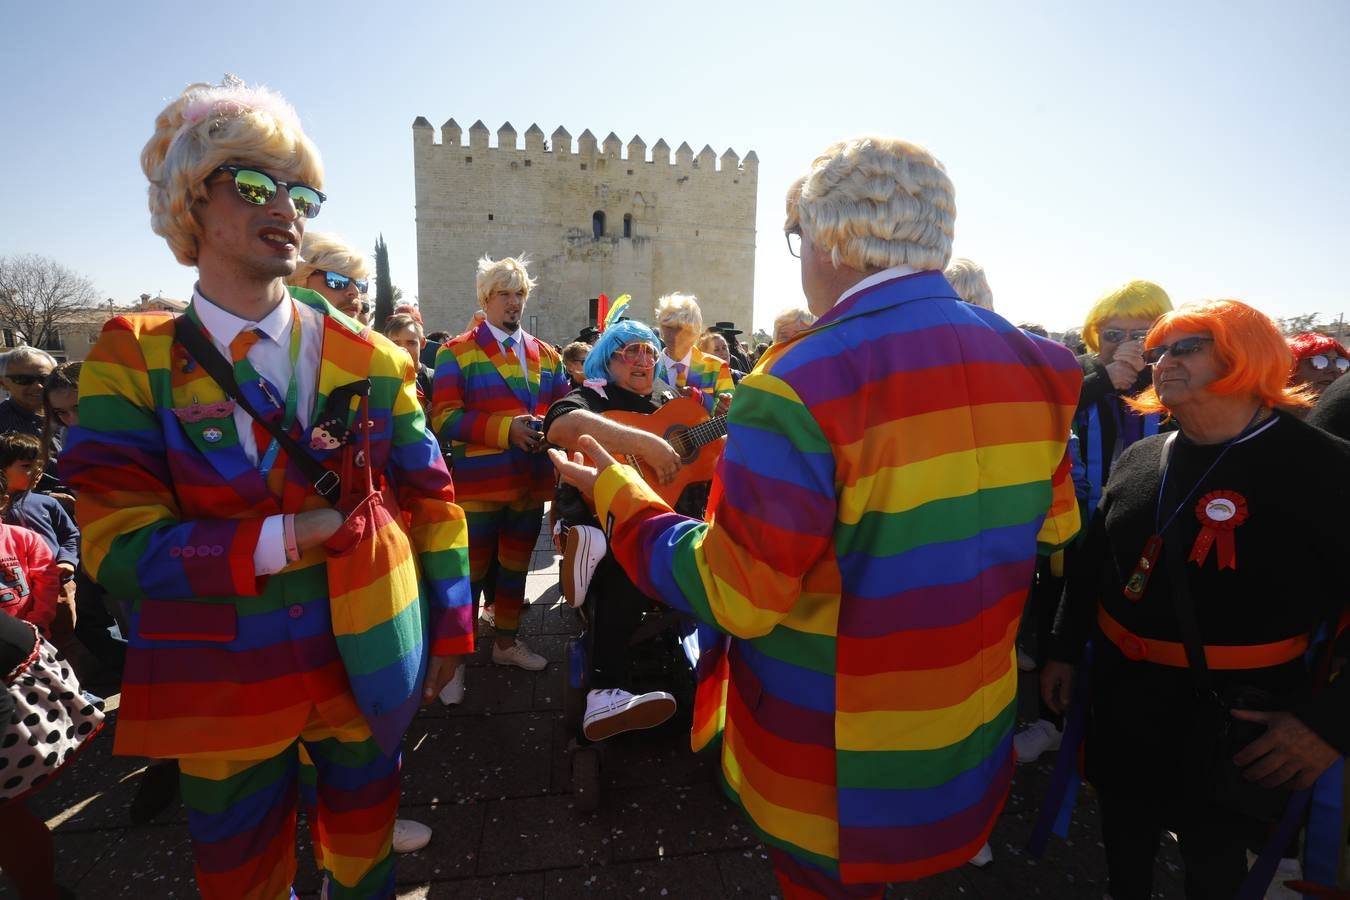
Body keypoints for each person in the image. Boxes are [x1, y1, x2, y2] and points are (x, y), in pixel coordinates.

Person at [552, 135, 1082, 898]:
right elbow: (1056, 530)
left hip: (832, 758)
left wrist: (619, 497)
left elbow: (737, 590)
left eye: (797, 238)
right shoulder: (1045, 367)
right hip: (966, 733)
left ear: (829, 240)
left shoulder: (798, 379)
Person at [62, 78, 472, 898]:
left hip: (363, 668)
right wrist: (284, 539)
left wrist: (452, 630)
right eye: (252, 183)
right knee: (240, 880)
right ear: (190, 201)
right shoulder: (130, 356)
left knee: (365, 867)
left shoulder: (373, 358)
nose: (285, 206)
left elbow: (434, 500)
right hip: (219, 686)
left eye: (300, 191)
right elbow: (115, 544)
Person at [1042, 299, 1350, 900]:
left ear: (1246, 355)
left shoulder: (1323, 469)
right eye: (1160, 351)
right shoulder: (1140, 459)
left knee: (1214, 863)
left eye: (1188, 347)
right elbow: (1090, 570)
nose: (1162, 361)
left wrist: (1329, 725)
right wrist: (1061, 650)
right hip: (1124, 702)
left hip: (1238, 719)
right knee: (1124, 841)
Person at [1014, 279, 1176, 765]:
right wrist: (1106, 379)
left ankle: (1120, 725)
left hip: (1149, 530)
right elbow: (1037, 416)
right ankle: (1052, 720)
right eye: (1112, 334)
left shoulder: (1170, 380)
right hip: (1072, 527)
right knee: (1056, 616)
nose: (1126, 346)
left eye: (1142, 335)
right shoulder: (1076, 373)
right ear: (1093, 337)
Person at [543, 320, 698, 738]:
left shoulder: (671, 399)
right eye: (630, 351)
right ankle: (604, 691)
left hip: (671, 517)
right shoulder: (594, 394)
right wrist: (646, 444)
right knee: (629, 557)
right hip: (606, 512)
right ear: (606, 359)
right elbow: (560, 427)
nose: (643, 360)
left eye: (649, 351)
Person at [431, 254, 570, 699]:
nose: (513, 302)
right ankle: (454, 663)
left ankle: (506, 644)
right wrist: (505, 430)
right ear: (485, 299)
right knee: (468, 577)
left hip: (530, 485)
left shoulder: (548, 355)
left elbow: (567, 408)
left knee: (514, 573)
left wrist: (557, 424)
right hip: (479, 488)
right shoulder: (456, 351)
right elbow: (445, 418)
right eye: (504, 294)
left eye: (519, 294)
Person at [0, 463, 102, 900]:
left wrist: (44, 614)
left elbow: (49, 564)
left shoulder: (24, 527)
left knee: (6, 819)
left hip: (17, 660)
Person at [653, 293, 734, 415]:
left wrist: (704, 400)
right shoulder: (650, 366)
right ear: (661, 329)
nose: (675, 335)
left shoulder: (717, 367)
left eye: (682, 329)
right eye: (669, 327)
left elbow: (731, 413)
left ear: (696, 332)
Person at [287, 231, 371, 324]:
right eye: (337, 280)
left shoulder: (370, 338)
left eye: (360, 284)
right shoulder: (273, 336)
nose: (355, 291)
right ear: (296, 280)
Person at [384, 312, 434, 411]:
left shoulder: (437, 380)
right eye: (396, 343)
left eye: (411, 343)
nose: (404, 349)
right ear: (386, 344)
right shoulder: (381, 381)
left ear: (423, 343)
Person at [1286, 331, 1347, 407]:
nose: (1334, 369)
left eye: (1341, 363)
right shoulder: (1270, 416)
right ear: (1290, 367)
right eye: (1320, 361)